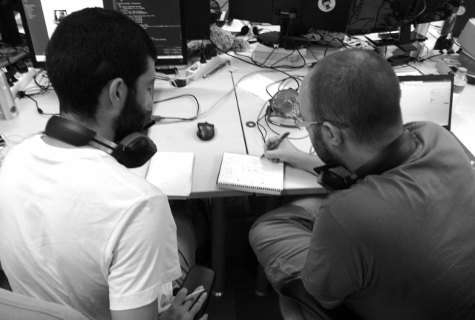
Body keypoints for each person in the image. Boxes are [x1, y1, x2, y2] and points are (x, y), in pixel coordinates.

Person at [0, 8, 206, 320]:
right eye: (149, 87)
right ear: (118, 92)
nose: (151, 104)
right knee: (189, 221)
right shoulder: (139, 207)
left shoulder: (13, 160)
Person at [249, 49, 475, 320]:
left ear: (331, 133)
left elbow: (325, 296)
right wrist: (295, 158)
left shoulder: (346, 213)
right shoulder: (435, 135)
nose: (307, 129)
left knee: (266, 228)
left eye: (307, 123)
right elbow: (374, 164)